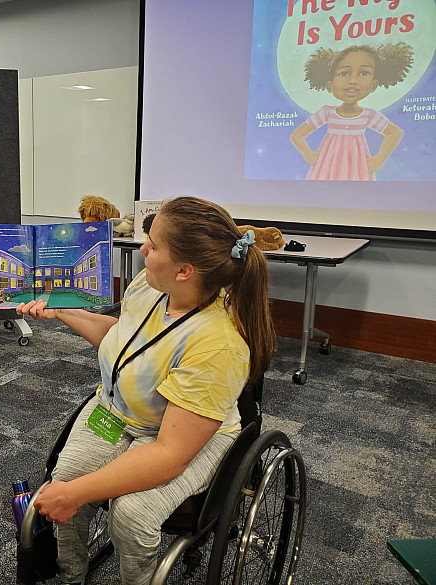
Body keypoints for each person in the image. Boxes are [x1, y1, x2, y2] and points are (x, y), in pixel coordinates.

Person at [16, 196, 276, 585]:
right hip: (118, 413)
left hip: (184, 437)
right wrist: (64, 311)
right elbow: (121, 339)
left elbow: (169, 453)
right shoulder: (152, 284)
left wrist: (75, 494)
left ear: (185, 270)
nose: (142, 249)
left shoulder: (218, 343)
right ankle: (72, 575)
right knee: (64, 477)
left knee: (131, 514)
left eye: (153, 246)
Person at [289, 43, 412, 181]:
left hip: (357, 167)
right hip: (327, 166)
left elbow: (394, 133)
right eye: (344, 73)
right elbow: (297, 135)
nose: (353, 81)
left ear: (374, 85)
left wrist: (380, 159)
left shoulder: (368, 115)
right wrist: (307, 154)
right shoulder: (327, 112)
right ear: (330, 85)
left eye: (364, 73)